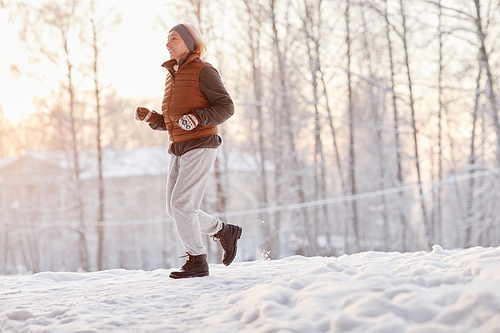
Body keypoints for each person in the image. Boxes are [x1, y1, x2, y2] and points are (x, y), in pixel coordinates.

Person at [134, 23, 242, 279]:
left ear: (190, 42)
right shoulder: (172, 76)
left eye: (173, 39)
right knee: (175, 209)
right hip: (178, 146)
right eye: (167, 39)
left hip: (201, 143)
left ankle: (197, 261)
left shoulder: (203, 70)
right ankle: (223, 230)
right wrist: (153, 118)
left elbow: (226, 107)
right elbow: (174, 122)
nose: (168, 44)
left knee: (183, 204)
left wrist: (198, 118)